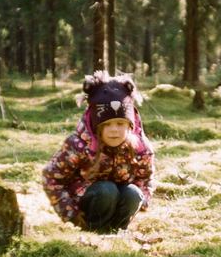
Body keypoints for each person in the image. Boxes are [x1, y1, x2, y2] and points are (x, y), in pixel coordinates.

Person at [42, 71, 154, 233]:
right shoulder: (79, 145)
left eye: (120, 124)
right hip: (90, 197)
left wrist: (141, 203)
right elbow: (51, 176)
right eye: (107, 125)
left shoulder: (140, 148)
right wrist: (70, 212)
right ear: (96, 125)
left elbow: (145, 178)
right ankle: (95, 230)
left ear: (130, 126)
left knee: (133, 194)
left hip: (121, 197)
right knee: (106, 190)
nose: (114, 130)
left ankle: (117, 231)